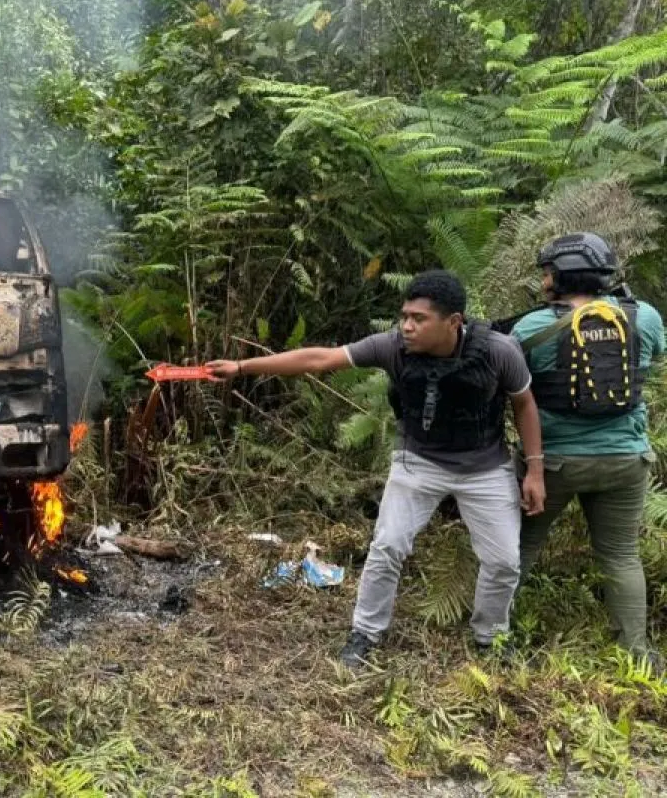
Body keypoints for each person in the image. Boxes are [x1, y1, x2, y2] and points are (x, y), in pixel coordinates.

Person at [207, 270, 546, 668]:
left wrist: (535, 470)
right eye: (404, 315)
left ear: (453, 322)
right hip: (418, 462)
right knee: (387, 547)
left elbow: (525, 404)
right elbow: (321, 359)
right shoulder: (391, 346)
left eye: (419, 319)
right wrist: (243, 367)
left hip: (486, 467)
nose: (406, 326)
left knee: (504, 561)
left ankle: (492, 636)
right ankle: (365, 633)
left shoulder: (498, 351)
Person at [509, 232, 665, 666]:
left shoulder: (532, 327)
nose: (543, 281)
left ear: (562, 275)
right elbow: (647, 366)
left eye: (546, 272)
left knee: (520, 548)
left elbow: (516, 389)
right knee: (620, 556)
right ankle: (637, 655)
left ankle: (493, 635)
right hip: (627, 461)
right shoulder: (644, 317)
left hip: (554, 464)